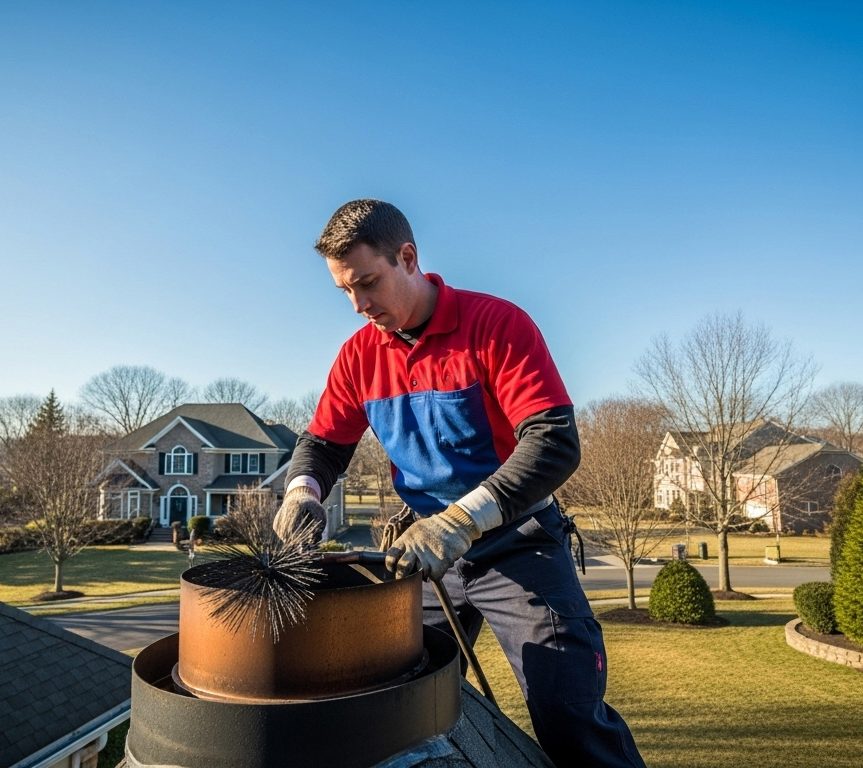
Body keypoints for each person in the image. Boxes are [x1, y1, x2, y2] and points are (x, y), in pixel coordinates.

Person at [274, 199, 644, 768]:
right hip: (421, 556)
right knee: (387, 699)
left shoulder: (496, 325)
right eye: (345, 291)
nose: (358, 305)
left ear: (408, 257)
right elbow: (323, 445)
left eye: (368, 283)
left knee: (567, 714)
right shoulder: (358, 357)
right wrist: (302, 493)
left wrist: (460, 520)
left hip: (518, 546)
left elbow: (553, 444)